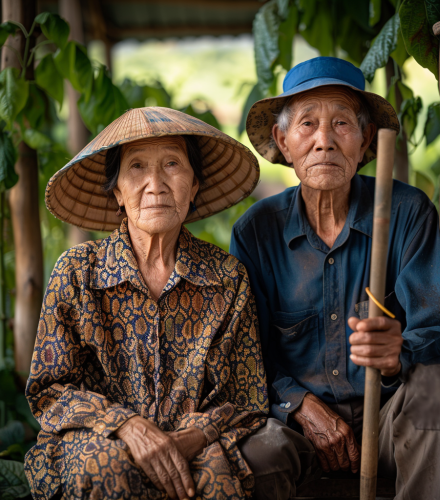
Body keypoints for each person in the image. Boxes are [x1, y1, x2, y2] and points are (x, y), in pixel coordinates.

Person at [230, 57, 440, 499]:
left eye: (342, 124)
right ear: (283, 141)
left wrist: (398, 353)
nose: (324, 141)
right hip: (298, 429)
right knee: (251, 453)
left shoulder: (406, 213)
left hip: (391, 420)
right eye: (307, 124)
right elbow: (246, 355)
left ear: (366, 139)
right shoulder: (257, 232)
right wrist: (298, 405)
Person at [25, 107, 268, 500]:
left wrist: (189, 439)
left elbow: (245, 398)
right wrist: (127, 426)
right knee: (108, 466)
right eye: (136, 167)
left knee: (216, 482)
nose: (155, 183)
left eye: (172, 164)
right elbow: (50, 389)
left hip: (193, 442)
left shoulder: (226, 278)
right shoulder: (77, 273)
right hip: (95, 440)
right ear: (118, 192)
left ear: (193, 186)